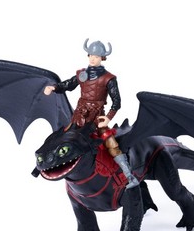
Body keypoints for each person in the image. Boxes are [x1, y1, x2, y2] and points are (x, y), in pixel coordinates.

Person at [44, 39, 139, 189]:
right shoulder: (82, 74)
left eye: (96, 56)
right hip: (79, 117)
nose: (93, 59)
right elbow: (68, 84)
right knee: (61, 138)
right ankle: (45, 163)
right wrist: (54, 88)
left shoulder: (108, 79)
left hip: (97, 118)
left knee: (111, 143)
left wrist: (108, 118)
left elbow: (117, 102)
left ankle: (129, 176)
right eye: (91, 55)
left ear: (102, 58)